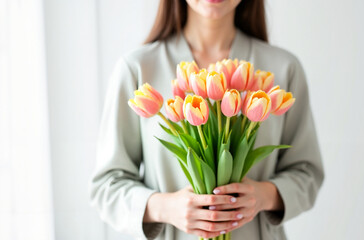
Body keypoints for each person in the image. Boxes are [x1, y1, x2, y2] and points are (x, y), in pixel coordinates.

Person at [89, 0, 324, 239]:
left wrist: (263, 195)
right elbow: (107, 187)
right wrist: (167, 208)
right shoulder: (137, 69)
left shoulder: (283, 68)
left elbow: (307, 173)